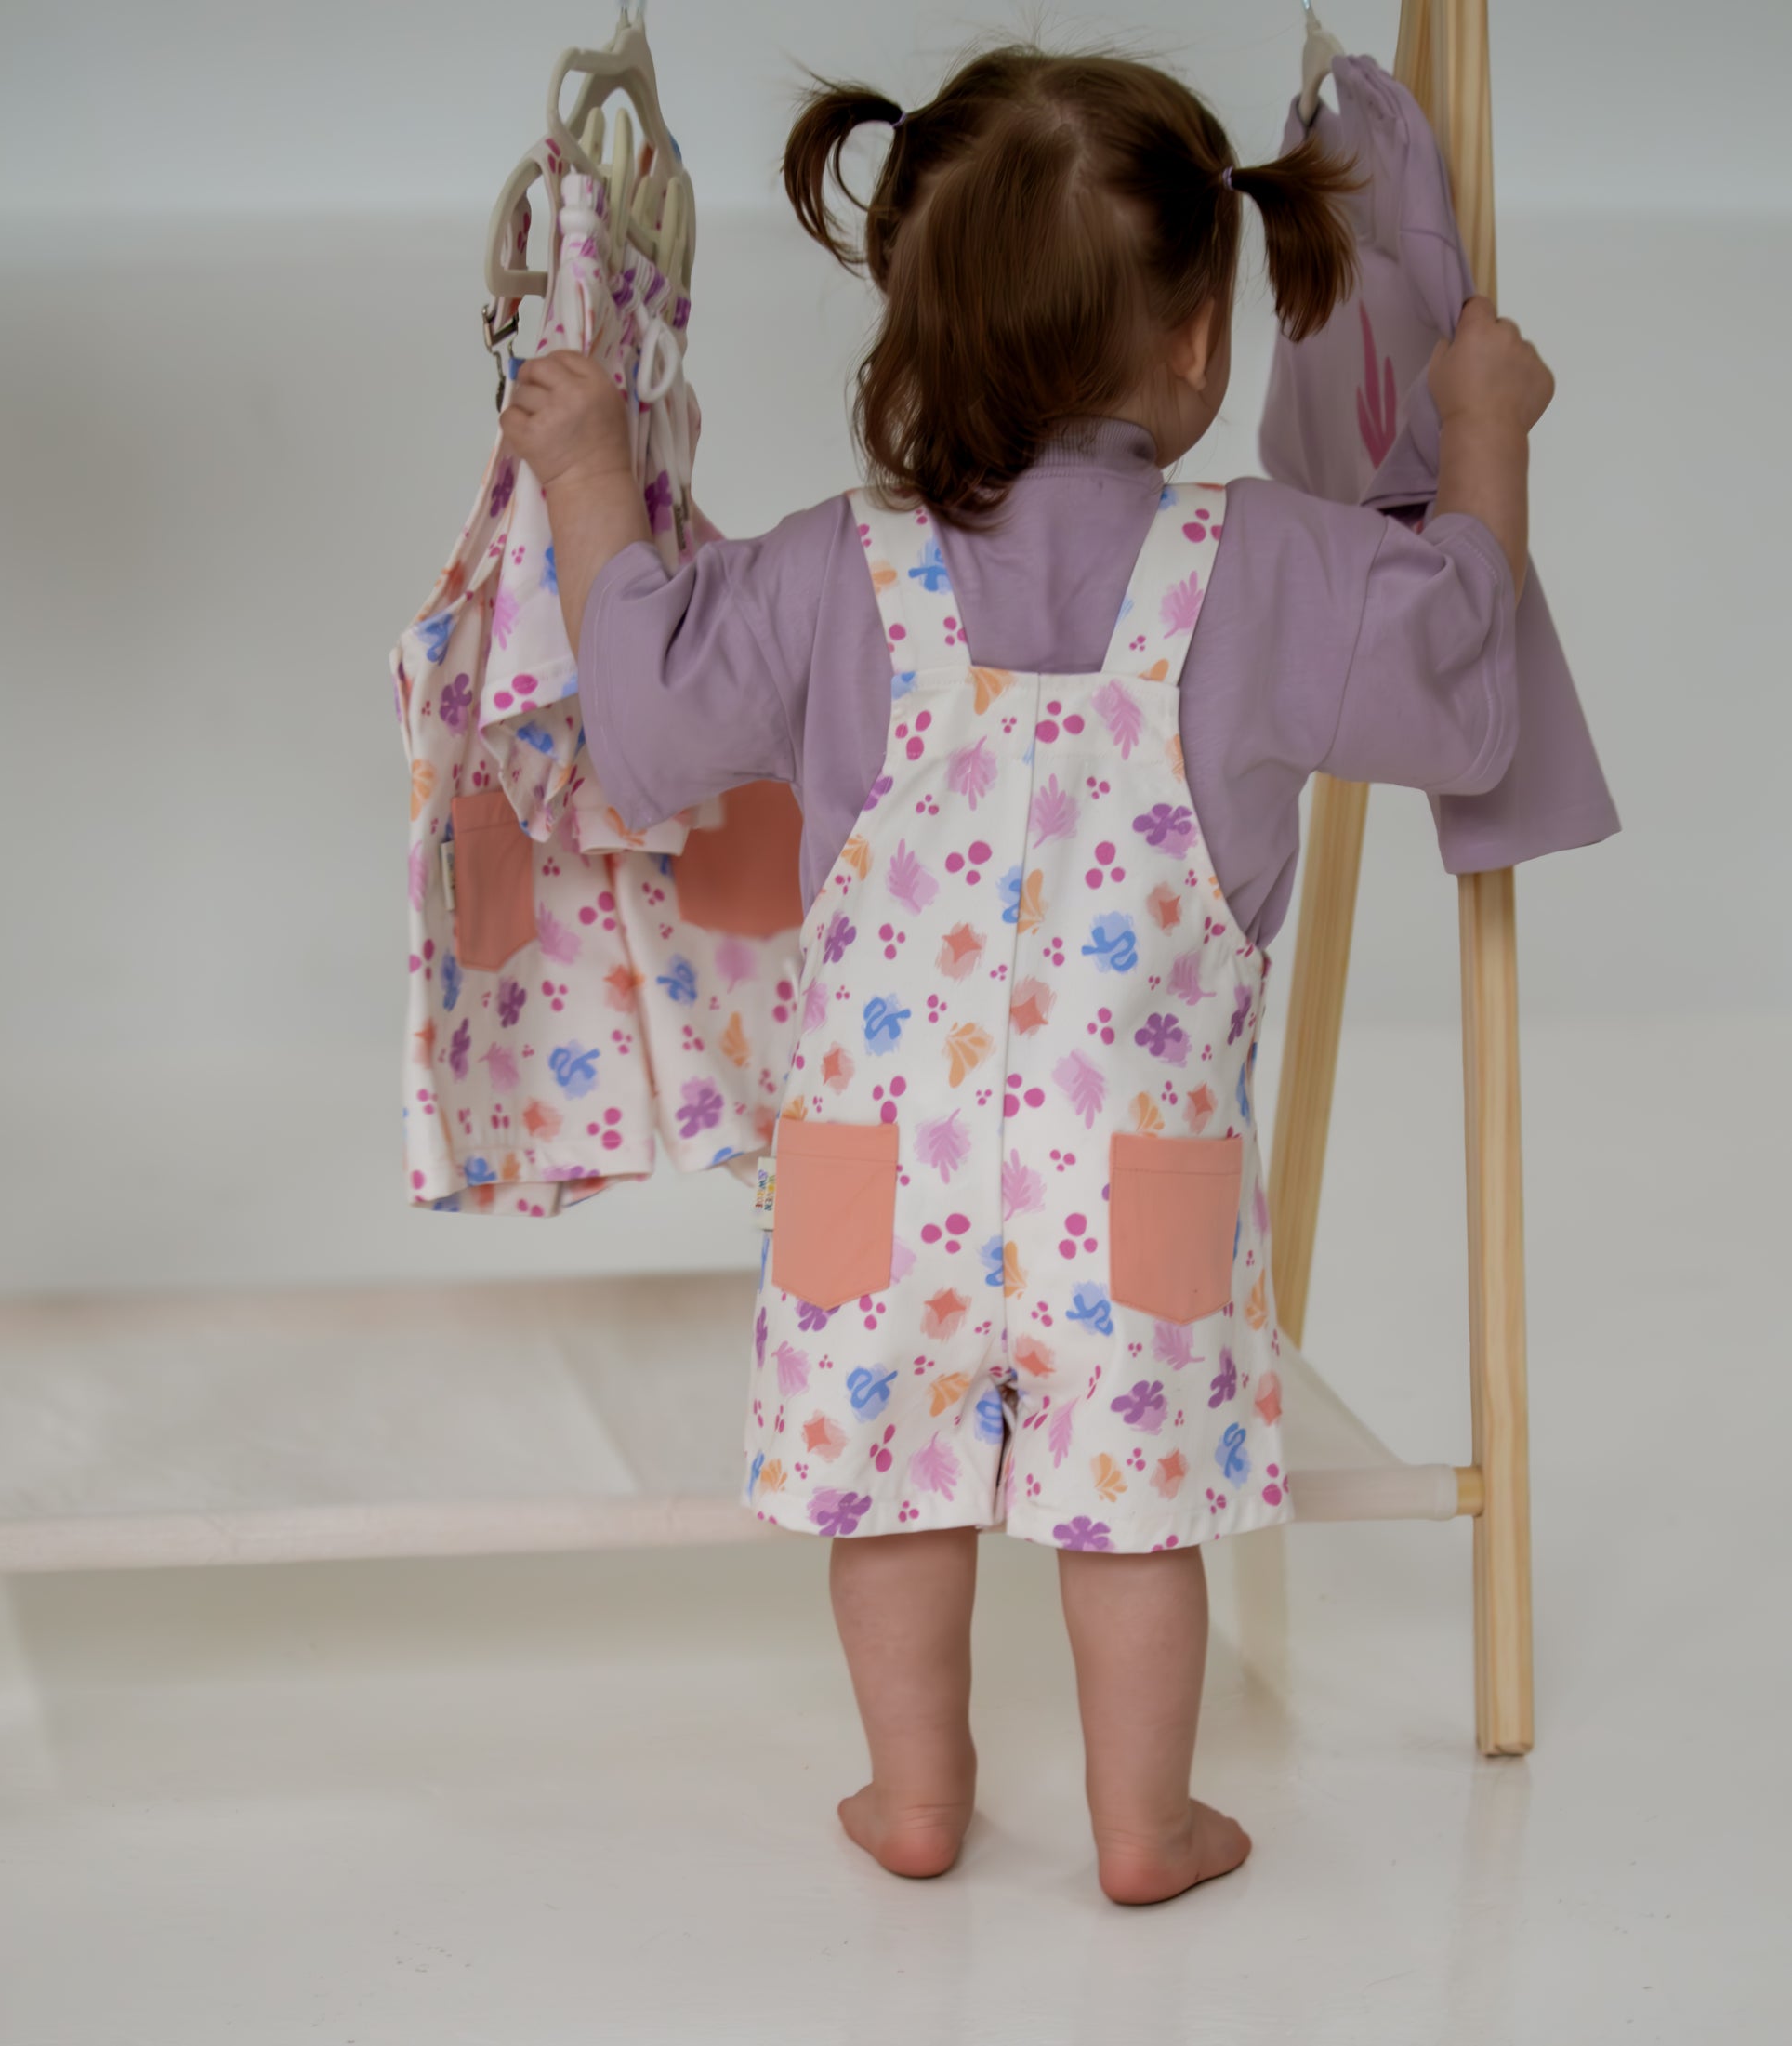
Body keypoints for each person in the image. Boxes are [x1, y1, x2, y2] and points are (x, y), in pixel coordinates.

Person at [500, 45, 1551, 1905]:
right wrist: (1480, 432)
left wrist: (591, 474)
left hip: (873, 1179)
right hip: (1129, 1181)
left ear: (912, 332)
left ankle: (913, 1798)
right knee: (1129, 1509)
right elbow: (1468, 695)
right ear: (1201, 347)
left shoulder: (839, 573)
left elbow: (649, 739)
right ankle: (1147, 1829)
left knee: (892, 1492)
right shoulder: (1272, 569)